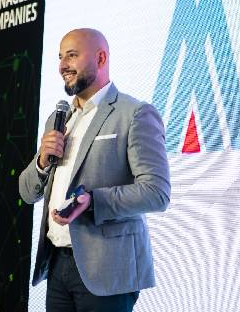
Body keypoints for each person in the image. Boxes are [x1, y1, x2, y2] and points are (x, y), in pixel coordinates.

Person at [19, 28, 171, 311]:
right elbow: (27, 193)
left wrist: (93, 202)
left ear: (101, 59)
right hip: (58, 264)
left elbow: (156, 193)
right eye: (60, 57)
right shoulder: (58, 118)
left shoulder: (135, 113)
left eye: (72, 56)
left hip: (108, 269)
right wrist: (41, 161)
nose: (63, 66)